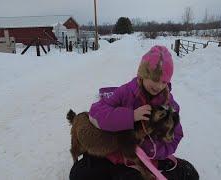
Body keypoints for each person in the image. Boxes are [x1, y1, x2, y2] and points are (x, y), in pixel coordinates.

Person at [69, 45, 199, 180]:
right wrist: (130, 116)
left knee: (189, 175)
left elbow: (176, 136)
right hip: (114, 152)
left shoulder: (169, 106)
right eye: (154, 79)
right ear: (143, 74)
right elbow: (96, 112)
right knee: (78, 175)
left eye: (164, 82)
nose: (158, 86)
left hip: (142, 160)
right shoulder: (126, 92)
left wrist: (150, 150)